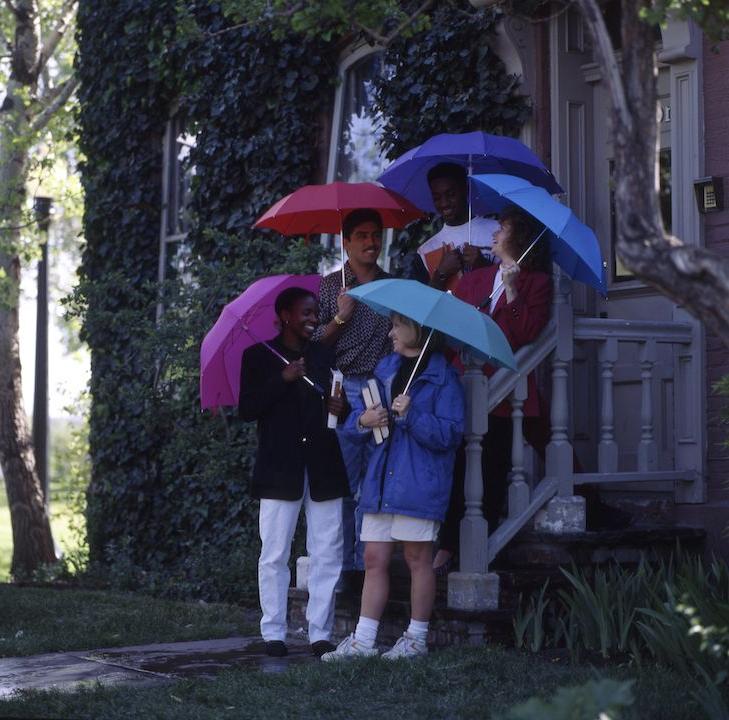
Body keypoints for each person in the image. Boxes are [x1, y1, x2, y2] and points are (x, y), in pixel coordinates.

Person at [321, 313, 464, 660]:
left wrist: (412, 415)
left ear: (417, 330)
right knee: (373, 557)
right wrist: (362, 420)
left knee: (418, 559)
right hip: (380, 481)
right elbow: (358, 422)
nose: (390, 333)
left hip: (419, 482)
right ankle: (363, 640)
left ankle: (416, 639)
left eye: (397, 327)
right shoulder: (385, 368)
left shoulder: (443, 377)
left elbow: (450, 435)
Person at [433, 206, 553, 573]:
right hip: (464, 384)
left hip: (502, 390)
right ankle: (447, 544)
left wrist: (513, 292)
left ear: (520, 239)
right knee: (456, 467)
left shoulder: (537, 283)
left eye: (502, 228)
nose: (495, 233)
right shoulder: (475, 280)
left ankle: (471, 545)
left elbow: (525, 335)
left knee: (492, 464)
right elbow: (453, 331)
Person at [239, 287, 350, 658]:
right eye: (305, 313)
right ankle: (274, 631)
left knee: (327, 552)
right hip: (279, 468)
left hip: (323, 465)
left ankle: (320, 632)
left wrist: (340, 406)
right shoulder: (257, 357)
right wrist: (282, 379)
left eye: (316, 313)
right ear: (284, 315)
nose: (313, 319)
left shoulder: (322, 354)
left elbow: (336, 411)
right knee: (274, 552)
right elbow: (247, 409)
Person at [312, 208, 393, 586]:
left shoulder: (390, 286)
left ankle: (366, 567)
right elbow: (315, 346)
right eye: (360, 235)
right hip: (340, 391)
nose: (370, 242)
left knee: (374, 482)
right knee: (342, 482)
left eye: (375, 234)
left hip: (379, 389)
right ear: (345, 242)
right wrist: (341, 316)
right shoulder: (330, 286)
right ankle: (340, 567)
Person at [417, 162, 499, 292]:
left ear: (466, 190)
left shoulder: (498, 231)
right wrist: (442, 273)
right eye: (437, 198)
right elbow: (420, 302)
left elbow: (515, 285)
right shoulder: (427, 250)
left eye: (451, 194)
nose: (444, 203)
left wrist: (484, 265)